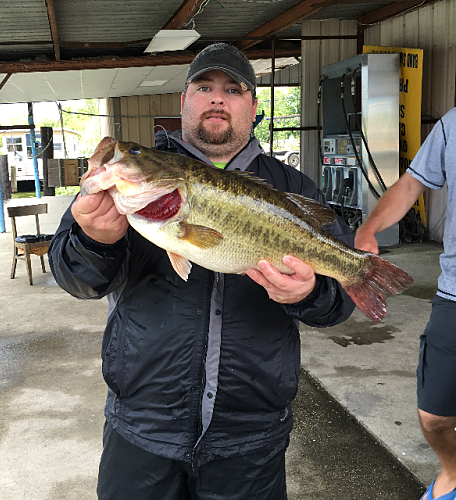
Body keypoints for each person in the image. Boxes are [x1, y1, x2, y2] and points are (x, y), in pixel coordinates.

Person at [48, 43, 355, 500]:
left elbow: (338, 304)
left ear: (253, 107)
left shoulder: (292, 187)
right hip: (142, 426)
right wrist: (95, 241)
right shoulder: (126, 189)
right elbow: (75, 279)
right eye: (204, 87)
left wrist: (310, 292)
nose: (218, 98)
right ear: (184, 101)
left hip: (251, 432)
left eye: (234, 89)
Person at [355, 107, 456, 500]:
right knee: (433, 417)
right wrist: (368, 227)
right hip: (453, 295)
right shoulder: (451, 125)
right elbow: (411, 185)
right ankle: (452, 472)